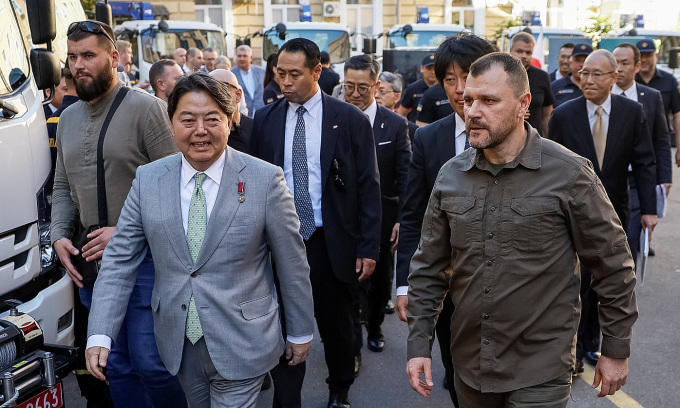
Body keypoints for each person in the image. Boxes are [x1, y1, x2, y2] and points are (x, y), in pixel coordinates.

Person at [406, 52, 639, 406]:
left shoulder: (569, 174)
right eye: (468, 100)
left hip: (540, 368)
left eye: (488, 100)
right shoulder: (450, 176)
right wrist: (418, 344)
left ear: (523, 104)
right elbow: (429, 267)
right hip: (469, 365)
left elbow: (612, 266)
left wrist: (615, 349)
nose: (472, 111)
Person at [85, 72, 314, 407]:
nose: (200, 131)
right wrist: (100, 333)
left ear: (230, 119)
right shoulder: (149, 180)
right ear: (171, 122)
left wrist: (300, 330)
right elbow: (119, 261)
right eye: (188, 120)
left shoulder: (265, 179)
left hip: (244, 339)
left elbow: (291, 262)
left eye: (212, 119)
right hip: (177, 339)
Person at [51, 20, 186, 407]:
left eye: (89, 56)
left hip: (147, 261)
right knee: (116, 365)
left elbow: (179, 186)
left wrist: (125, 232)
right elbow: (63, 184)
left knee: (153, 364)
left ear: (113, 57)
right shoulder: (69, 116)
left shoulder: (149, 110)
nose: (79, 65)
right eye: (73, 57)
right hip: (93, 265)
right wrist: (60, 234)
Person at [251, 38, 381, 408]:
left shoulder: (349, 119)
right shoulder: (266, 118)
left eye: (295, 74)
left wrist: (367, 247)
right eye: (280, 74)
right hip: (280, 240)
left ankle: (339, 390)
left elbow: (368, 187)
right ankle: (287, 398)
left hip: (330, 241)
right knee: (286, 324)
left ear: (317, 72)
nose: (286, 82)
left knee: (337, 326)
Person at [397, 33, 496, 406]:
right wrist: (405, 285)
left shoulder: (522, 137)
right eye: (448, 79)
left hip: (511, 285)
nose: (459, 89)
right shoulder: (428, 140)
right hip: (450, 285)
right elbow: (413, 217)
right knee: (458, 377)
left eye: (467, 75)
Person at [549, 49, 657, 373]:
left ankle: (591, 345)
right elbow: (549, 167)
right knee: (572, 284)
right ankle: (572, 348)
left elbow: (644, 163)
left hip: (614, 212)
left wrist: (649, 211)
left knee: (603, 282)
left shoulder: (632, 112)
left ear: (615, 78)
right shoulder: (564, 115)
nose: (588, 80)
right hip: (570, 215)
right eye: (584, 73)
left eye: (597, 74)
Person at [344, 55, 410, 355]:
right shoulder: (334, 119)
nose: (355, 94)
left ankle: (374, 326)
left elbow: (405, 175)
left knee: (380, 277)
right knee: (347, 278)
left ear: (376, 85)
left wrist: (402, 219)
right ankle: (351, 330)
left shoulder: (394, 125)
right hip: (344, 217)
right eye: (349, 87)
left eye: (362, 87)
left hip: (383, 216)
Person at [612, 43, 673, 261]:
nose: (618, 68)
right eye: (614, 62)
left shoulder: (651, 96)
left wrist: (665, 178)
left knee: (630, 239)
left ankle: (626, 287)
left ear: (637, 66)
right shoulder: (600, 97)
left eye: (624, 63)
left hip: (637, 180)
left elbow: (661, 140)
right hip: (606, 178)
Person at [636, 39, 680, 158]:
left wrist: (679, 147)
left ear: (656, 56)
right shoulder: (629, 81)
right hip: (634, 143)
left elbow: (677, 114)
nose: (644, 60)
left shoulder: (669, 80)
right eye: (640, 56)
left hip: (660, 143)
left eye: (648, 55)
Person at [509, 32, 554, 136]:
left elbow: (547, 115)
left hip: (534, 141)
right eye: (519, 51)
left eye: (528, 52)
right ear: (511, 50)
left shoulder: (542, 77)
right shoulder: (499, 74)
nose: (524, 56)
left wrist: (547, 141)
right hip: (504, 140)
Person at [210, 69, 253, 154]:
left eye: (222, 89)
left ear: (238, 95)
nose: (215, 96)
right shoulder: (204, 130)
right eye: (209, 90)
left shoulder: (255, 128)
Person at [377, 71, 418, 143]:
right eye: (374, 91)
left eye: (382, 91)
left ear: (397, 97)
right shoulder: (364, 123)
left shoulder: (410, 129)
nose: (376, 95)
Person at [399, 54, 438, 123]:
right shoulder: (412, 88)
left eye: (436, 68)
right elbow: (402, 113)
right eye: (429, 68)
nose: (433, 72)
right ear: (422, 68)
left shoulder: (445, 88)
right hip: (417, 130)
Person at [552, 43, 591, 108]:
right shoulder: (554, 86)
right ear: (570, 62)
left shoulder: (598, 87)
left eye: (585, 60)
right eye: (577, 60)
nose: (581, 65)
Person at [232, 44, 265, 117]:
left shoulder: (261, 72)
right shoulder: (231, 74)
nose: (242, 58)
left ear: (251, 58)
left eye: (245, 56)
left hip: (261, 112)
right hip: (243, 115)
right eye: (239, 56)